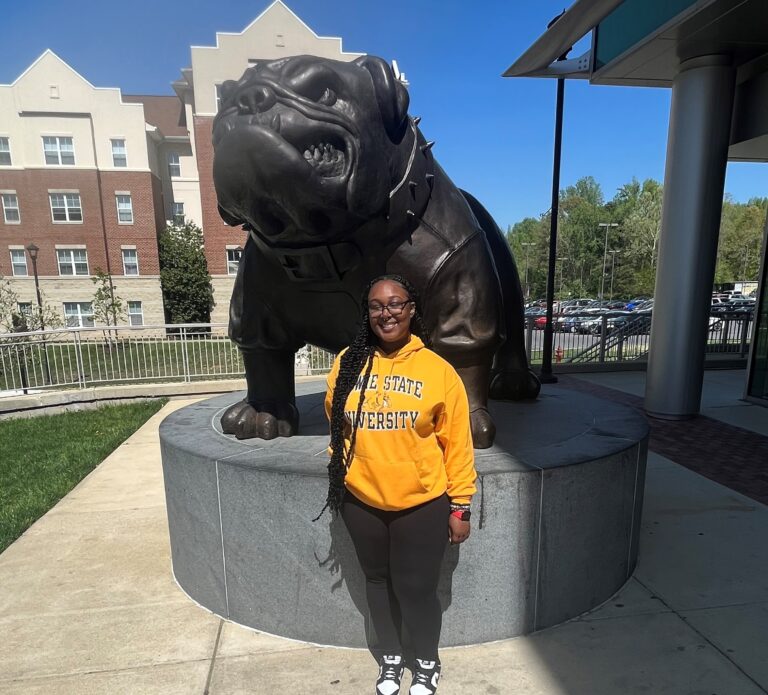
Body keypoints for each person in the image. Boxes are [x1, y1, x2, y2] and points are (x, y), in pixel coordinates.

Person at [320, 274, 477, 695]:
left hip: (421, 505)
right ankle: (390, 658)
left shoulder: (438, 371)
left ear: (411, 309)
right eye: (376, 306)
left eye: (395, 304)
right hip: (362, 502)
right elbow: (337, 424)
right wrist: (343, 471)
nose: (385, 313)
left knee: (417, 590)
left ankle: (426, 662)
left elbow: (457, 446)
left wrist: (460, 506)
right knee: (377, 582)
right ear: (367, 313)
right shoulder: (348, 363)